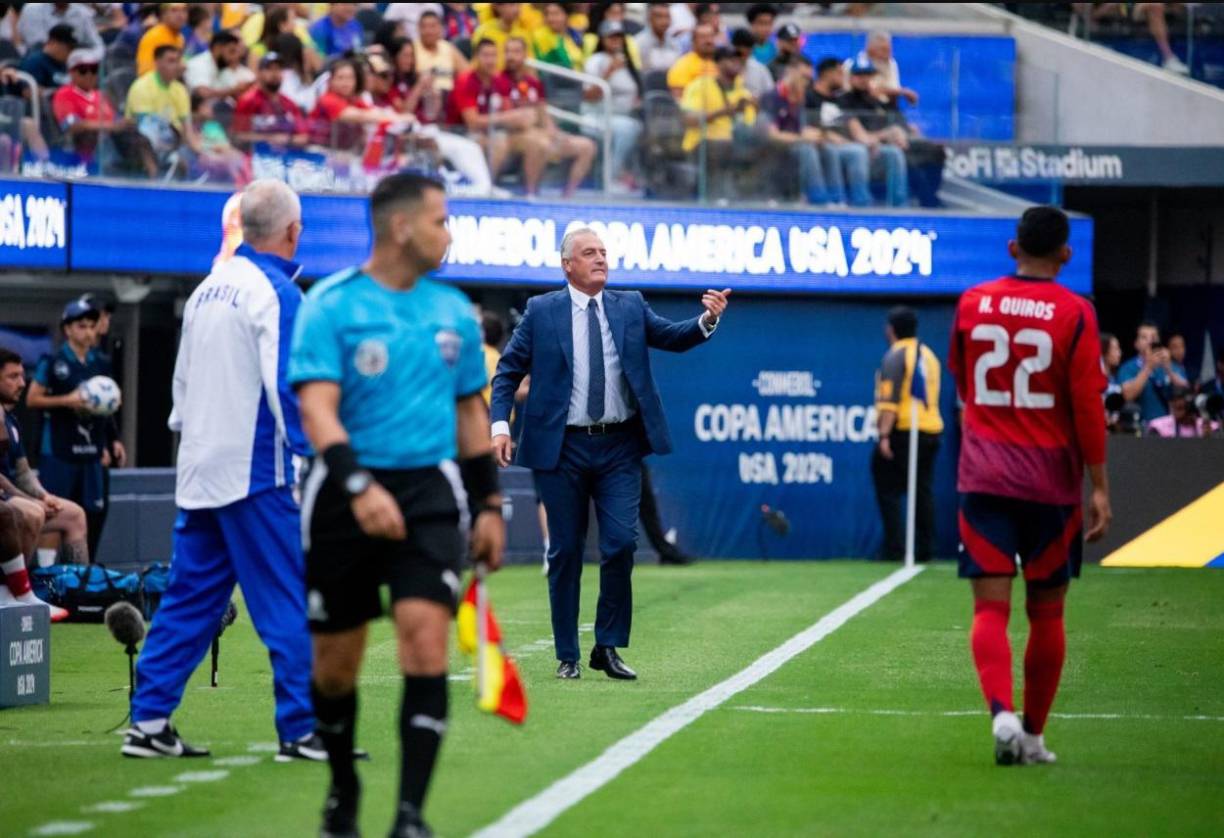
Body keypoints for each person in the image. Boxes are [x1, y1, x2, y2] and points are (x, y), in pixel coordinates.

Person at [290, 173, 504, 838]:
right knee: (335, 664)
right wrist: (359, 486)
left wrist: (490, 505)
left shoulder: (453, 313)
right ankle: (343, 789)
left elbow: (472, 414)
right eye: (441, 220)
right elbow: (318, 410)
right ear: (402, 227)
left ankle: (410, 814)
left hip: (429, 496)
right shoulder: (330, 305)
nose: (450, 233)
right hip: (343, 494)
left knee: (424, 640)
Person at [123, 180, 317, 762]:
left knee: (192, 598)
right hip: (256, 470)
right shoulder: (277, 292)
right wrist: (319, 455)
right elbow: (289, 387)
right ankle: (301, 730)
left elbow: (179, 391)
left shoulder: (209, 288)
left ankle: (149, 721)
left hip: (201, 466)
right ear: (292, 231)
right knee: (284, 596)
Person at [490, 227, 729, 679]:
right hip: (562, 448)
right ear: (568, 265)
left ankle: (608, 646)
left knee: (621, 543)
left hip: (619, 445)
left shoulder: (630, 305)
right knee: (565, 551)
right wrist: (500, 425)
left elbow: (674, 337)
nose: (600, 258)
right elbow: (507, 371)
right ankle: (567, 655)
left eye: (603, 252)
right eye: (589, 253)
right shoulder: (542, 312)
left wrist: (707, 320)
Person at [948, 205, 1112, 766]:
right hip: (1052, 483)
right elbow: (1089, 406)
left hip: (985, 475)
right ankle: (1036, 738)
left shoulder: (972, 302)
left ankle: (1002, 715)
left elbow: (963, 380)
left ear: (1012, 248)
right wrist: (1100, 485)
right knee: (1048, 613)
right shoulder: (1077, 312)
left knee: (989, 611)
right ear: (1066, 254)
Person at [25, 300, 115, 561]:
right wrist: (69, 400)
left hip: (91, 452)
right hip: (59, 451)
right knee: (56, 512)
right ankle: (47, 573)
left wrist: (109, 442)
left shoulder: (101, 362)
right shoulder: (53, 361)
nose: (87, 332)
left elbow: (106, 405)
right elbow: (32, 399)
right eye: (81, 326)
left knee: (90, 513)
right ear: (68, 329)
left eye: (91, 326)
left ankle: (82, 577)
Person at [0, 347, 90, 572]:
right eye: (13, 377)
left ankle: (77, 590)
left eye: (22, 375)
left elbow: (22, 472)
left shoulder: (10, 420)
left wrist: (44, 495)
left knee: (74, 515)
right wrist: (31, 501)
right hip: (6, 503)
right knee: (33, 513)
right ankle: (15, 591)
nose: (22, 383)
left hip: (12, 499)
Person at [871, 306, 943, 563]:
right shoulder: (929, 355)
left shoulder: (896, 355)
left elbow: (889, 402)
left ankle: (895, 547)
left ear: (891, 329)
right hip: (931, 429)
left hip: (905, 430)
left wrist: (884, 436)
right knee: (922, 490)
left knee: (888, 488)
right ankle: (924, 548)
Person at [496, 36, 597, 197]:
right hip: (513, 136)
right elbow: (510, 118)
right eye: (507, 51)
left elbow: (542, 111)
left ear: (525, 55)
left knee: (586, 146)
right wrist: (540, 130)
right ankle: (531, 194)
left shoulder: (534, 82)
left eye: (516, 51)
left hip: (539, 133)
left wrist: (554, 132)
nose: (511, 56)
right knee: (540, 143)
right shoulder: (499, 81)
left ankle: (567, 196)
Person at [53, 47, 159, 177]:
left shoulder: (100, 95)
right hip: (83, 142)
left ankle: (152, 175)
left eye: (94, 70)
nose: (89, 75)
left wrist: (123, 123)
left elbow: (114, 119)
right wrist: (110, 126)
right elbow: (73, 126)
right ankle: (91, 173)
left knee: (136, 135)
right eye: (83, 70)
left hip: (112, 139)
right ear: (72, 72)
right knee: (90, 135)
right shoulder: (65, 94)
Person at [759, 56, 829, 205]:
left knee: (829, 149)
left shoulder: (798, 98)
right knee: (807, 150)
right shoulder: (772, 97)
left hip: (793, 143)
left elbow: (799, 128)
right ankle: (819, 201)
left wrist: (819, 136)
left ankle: (838, 200)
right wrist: (803, 138)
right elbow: (772, 135)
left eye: (809, 79)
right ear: (790, 72)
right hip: (774, 148)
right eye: (803, 77)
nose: (806, 83)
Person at [838, 57, 908, 207]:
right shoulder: (843, 99)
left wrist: (896, 134)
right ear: (851, 77)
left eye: (867, 75)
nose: (863, 79)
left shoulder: (875, 101)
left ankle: (899, 204)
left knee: (894, 153)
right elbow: (858, 134)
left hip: (875, 148)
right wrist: (885, 134)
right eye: (859, 75)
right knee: (859, 151)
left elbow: (892, 124)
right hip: (849, 145)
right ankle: (861, 202)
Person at [583, 20, 644, 189]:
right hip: (596, 116)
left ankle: (635, 178)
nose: (615, 41)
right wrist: (609, 72)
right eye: (611, 37)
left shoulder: (627, 62)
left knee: (638, 127)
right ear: (603, 39)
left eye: (619, 37)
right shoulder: (596, 61)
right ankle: (610, 177)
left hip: (625, 116)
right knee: (627, 129)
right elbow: (589, 96)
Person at [808, 57, 872, 207]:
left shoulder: (840, 100)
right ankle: (841, 200)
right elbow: (808, 126)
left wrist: (868, 141)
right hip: (822, 143)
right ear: (828, 74)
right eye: (839, 73)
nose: (843, 77)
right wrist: (829, 136)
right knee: (856, 152)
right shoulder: (809, 97)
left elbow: (853, 124)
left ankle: (867, 202)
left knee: (873, 151)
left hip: (846, 143)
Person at [231, 52, 310, 151]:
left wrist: (288, 140)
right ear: (259, 73)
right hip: (257, 157)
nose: (274, 73)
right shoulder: (248, 100)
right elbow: (238, 136)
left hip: (288, 158)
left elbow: (304, 136)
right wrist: (270, 139)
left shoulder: (289, 103)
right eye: (269, 69)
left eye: (278, 69)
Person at [1118, 321, 1187, 423]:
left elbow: (1185, 391)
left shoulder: (1170, 365)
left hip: (1167, 428)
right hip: (1140, 427)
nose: (1150, 341)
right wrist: (1148, 367)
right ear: (1136, 343)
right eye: (1144, 337)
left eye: (1154, 337)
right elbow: (1127, 395)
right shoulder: (1128, 367)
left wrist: (1168, 369)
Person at [185, 30, 256, 103]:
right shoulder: (199, 63)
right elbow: (203, 93)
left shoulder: (221, 67)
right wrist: (233, 90)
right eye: (230, 51)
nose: (231, 58)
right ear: (218, 48)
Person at [414, 9, 468, 100]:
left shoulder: (448, 48)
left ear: (441, 28)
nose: (429, 31)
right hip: (423, 99)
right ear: (418, 29)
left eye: (433, 26)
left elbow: (468, 74)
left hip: (450, 98)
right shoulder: (412, 49)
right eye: (424, 27)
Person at [471, 1, 531, 70]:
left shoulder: (524, 34)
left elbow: (529, 66)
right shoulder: (483, 32)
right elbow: (476, 64)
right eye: (512, 4)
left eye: (519, 4)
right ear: (498, 7)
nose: (517, 9)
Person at [17, 2, 102, 50]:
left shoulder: (82, 12)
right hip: (41, 63)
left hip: (76, 64)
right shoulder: (32, 9)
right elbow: (38, 45)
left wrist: (87, 58)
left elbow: (97, 45)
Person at [18, 21, 75, 89]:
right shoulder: (34, 62)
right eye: (70, 48)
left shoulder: (65, 63)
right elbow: (28, 92)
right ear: (53, 43)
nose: (72, 52)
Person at [136, 2, 187, 77]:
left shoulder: (180, 38)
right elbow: (145, 73)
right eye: (174, 10)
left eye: (184, 10)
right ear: (163, 14)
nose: (180, 15)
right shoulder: (154, 36)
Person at [667, 21, 716, 98]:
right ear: (693, 41)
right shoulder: (682, 65)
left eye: (711, 36)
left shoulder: (721, 63)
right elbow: (679, 101)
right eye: (703, 37)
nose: (708, 41)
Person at [1148, 385, 1218, 437]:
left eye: (1180, 407)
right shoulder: (1159, 427)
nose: (1175, 403)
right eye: (1172, 400)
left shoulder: (1211, 427)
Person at [533, 1, 585, 70]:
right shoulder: (540, 35)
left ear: (566, 15)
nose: (550, 18)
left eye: (556, 14)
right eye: (547, 14)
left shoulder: (574, 35)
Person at [639, 2, 683, 73]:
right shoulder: (639, 43)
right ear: (649, 18)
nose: (664, 21)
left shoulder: (674, 43)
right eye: (659, 16)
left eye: (667, 17)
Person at [730, 27, 772, 99]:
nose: (746, 51)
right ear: (734, 47)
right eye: (742, 48)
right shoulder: (726, 67)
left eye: (749, 48)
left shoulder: (760, 68)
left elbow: (770, 93)